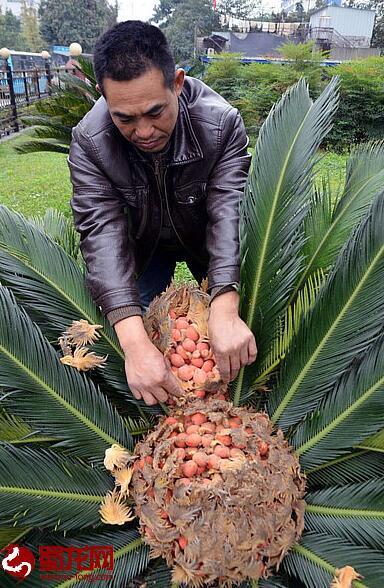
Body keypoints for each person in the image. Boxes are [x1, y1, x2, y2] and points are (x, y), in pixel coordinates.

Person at [68, 21, 257, 406]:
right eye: (125, 118)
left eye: (155, 112)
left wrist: (224, 303)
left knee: (239, 330)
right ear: (103, 97)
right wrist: (135, 343)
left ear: (177, 83)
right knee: (128, 344)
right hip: (143, 245)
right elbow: (100, 231)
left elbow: (229, 212)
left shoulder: (220, 125)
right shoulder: (90, 142)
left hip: (205, 237)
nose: (144, 130)